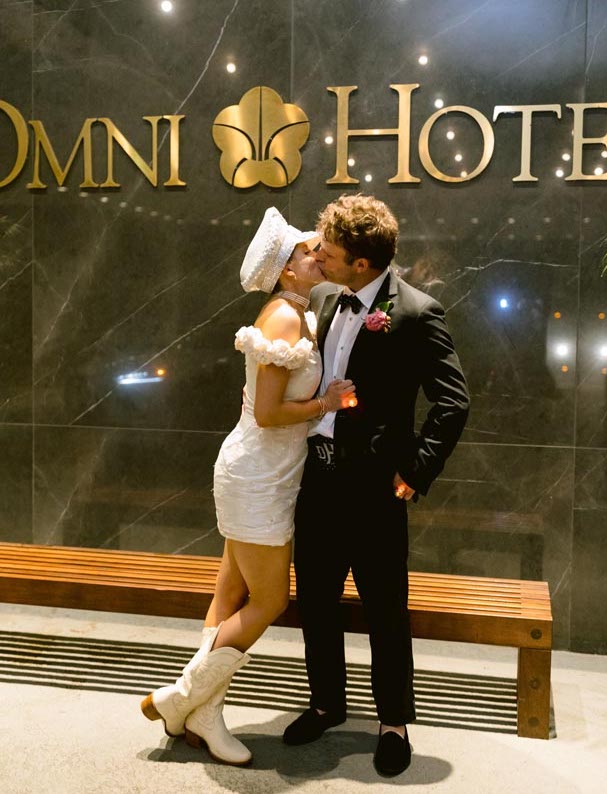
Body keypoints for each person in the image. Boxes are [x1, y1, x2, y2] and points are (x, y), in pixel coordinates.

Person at [141, 207, 355, 765]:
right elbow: (266, 413)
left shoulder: (298, 312)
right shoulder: (284, 318)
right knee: (270, 599)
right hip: (258, 473)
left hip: (268, 473)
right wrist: (324, 404)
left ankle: (202, 714)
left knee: (229, 595)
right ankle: (181, 698)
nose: (319, 255)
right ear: (287, 272)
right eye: (308, 252)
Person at [282, 194, 470, 777]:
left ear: (362, 264)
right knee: (315, 600)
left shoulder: (415, 312)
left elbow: (453, 400)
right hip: (317, 478)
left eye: (330, 252)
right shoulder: (318, 298)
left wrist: (415, 472)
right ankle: (326, 704)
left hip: (375, 490)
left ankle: (393, 722)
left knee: (386, 610)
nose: (321, 258)